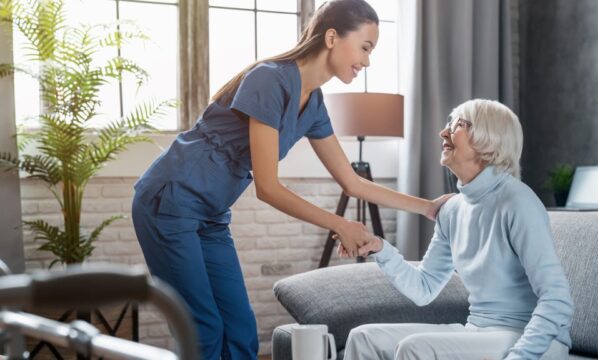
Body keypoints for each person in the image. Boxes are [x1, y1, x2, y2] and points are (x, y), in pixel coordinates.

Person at [131, 1, 450, 359]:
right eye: (365, 47)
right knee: (203, 327)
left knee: (240, 329)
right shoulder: (270, 79)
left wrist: (429, 208)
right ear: (332, 37)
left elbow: (353, 183)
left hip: (210, 215)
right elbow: (267, 187)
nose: (367, 61)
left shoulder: (313, 103)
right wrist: (339, 224)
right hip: (169, 201)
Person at [339, 99, 574, 360]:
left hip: (533, 339)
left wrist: (520, 356)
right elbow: (423, 287)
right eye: (449, 123)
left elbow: (557, 300)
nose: (444, 132)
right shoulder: (452, 210)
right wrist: (382, 250)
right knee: (363, 338)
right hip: (478, 331)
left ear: (489, 139)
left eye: (459, 124)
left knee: (415, 348)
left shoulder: (518, 202)